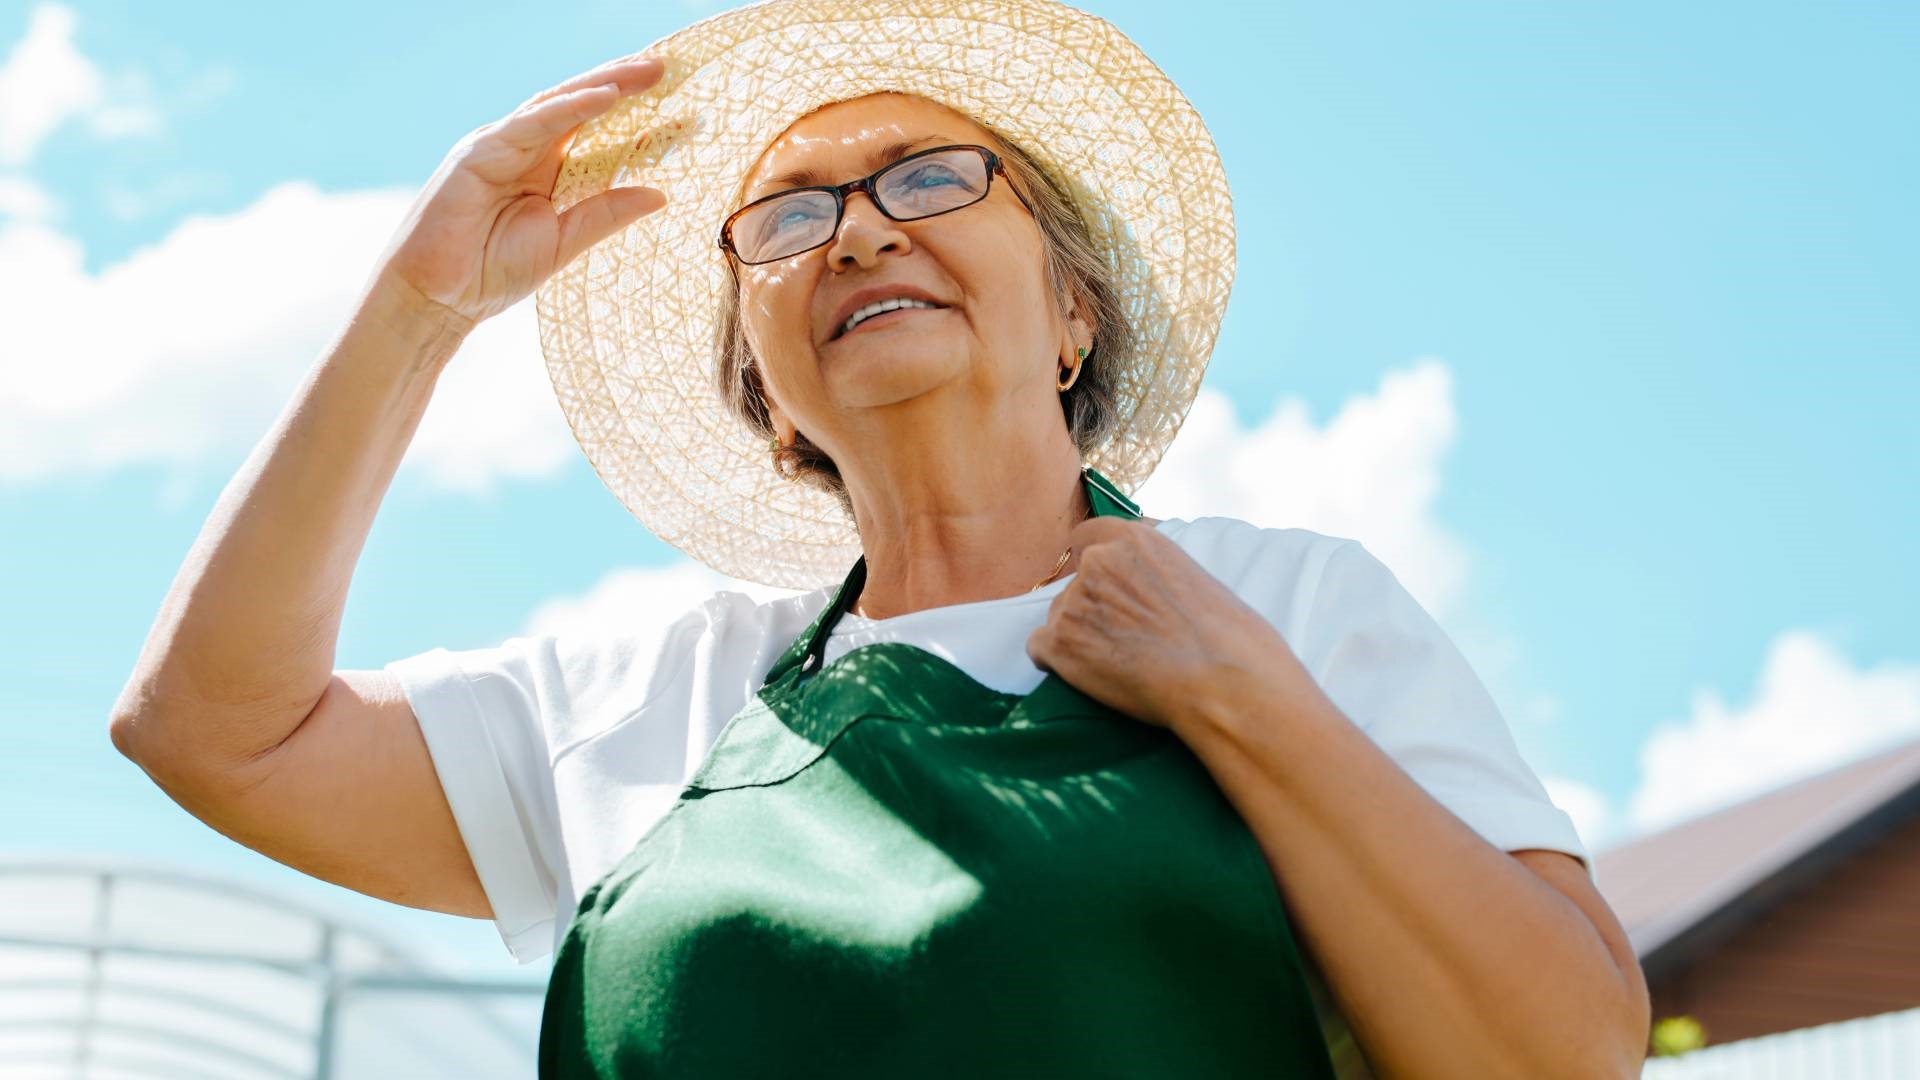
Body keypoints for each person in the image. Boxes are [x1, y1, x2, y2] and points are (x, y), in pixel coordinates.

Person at [110, 0, 1650, 1075]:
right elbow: (212, 731)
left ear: (1070, 312)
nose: (856, 226)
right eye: (784, 220)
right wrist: (416, 312)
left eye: (929, 177)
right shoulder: (654, 702)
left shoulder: (1286, 606)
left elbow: (1560, 1053)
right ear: (773, 404)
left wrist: (1244, 699)